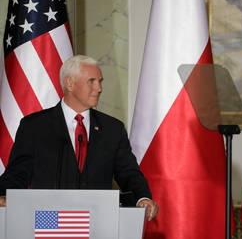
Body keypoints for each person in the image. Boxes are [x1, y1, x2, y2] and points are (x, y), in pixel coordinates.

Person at [0, 55, 159, 220]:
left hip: (99, 223)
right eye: (91, 81)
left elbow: (129, 173)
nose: (99, 88)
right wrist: (3, 195)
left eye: (100, 81)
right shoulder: (35, 126)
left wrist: (143, 198)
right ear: (69, 83)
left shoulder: (112, 129)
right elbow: (17, 173)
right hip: (48, 223)